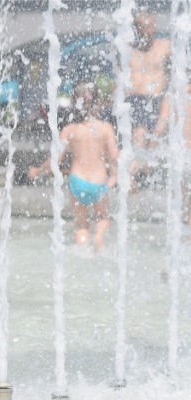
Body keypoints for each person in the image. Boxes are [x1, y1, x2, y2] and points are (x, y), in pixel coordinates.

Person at [29, 82, 119, 252]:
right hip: (99, 181)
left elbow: (55, 159)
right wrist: (117, 175)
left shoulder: (70, 130)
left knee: (81, 225)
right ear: (99, 103)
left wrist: (38, 171)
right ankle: (98, 236)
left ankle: (82, 249)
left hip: (77, 181)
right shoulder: (106, 129)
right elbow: (115, 157)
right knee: (102, 218)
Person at [127, 12, 171, 186]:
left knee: (157, 130)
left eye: (151, 26)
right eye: (143, 27)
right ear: (136, 29)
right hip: (134, 100)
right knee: (139, 133)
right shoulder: (128, 50)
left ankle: (140, 169)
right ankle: (135, 173)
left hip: (156, 99)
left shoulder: (165, 46)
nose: (148, 31)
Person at [153, 68, 191, 227]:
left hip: (179, 157)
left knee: (178, 201)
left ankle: (177, 242)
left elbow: (160, 128)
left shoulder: (171, 98)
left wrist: (151, 147)